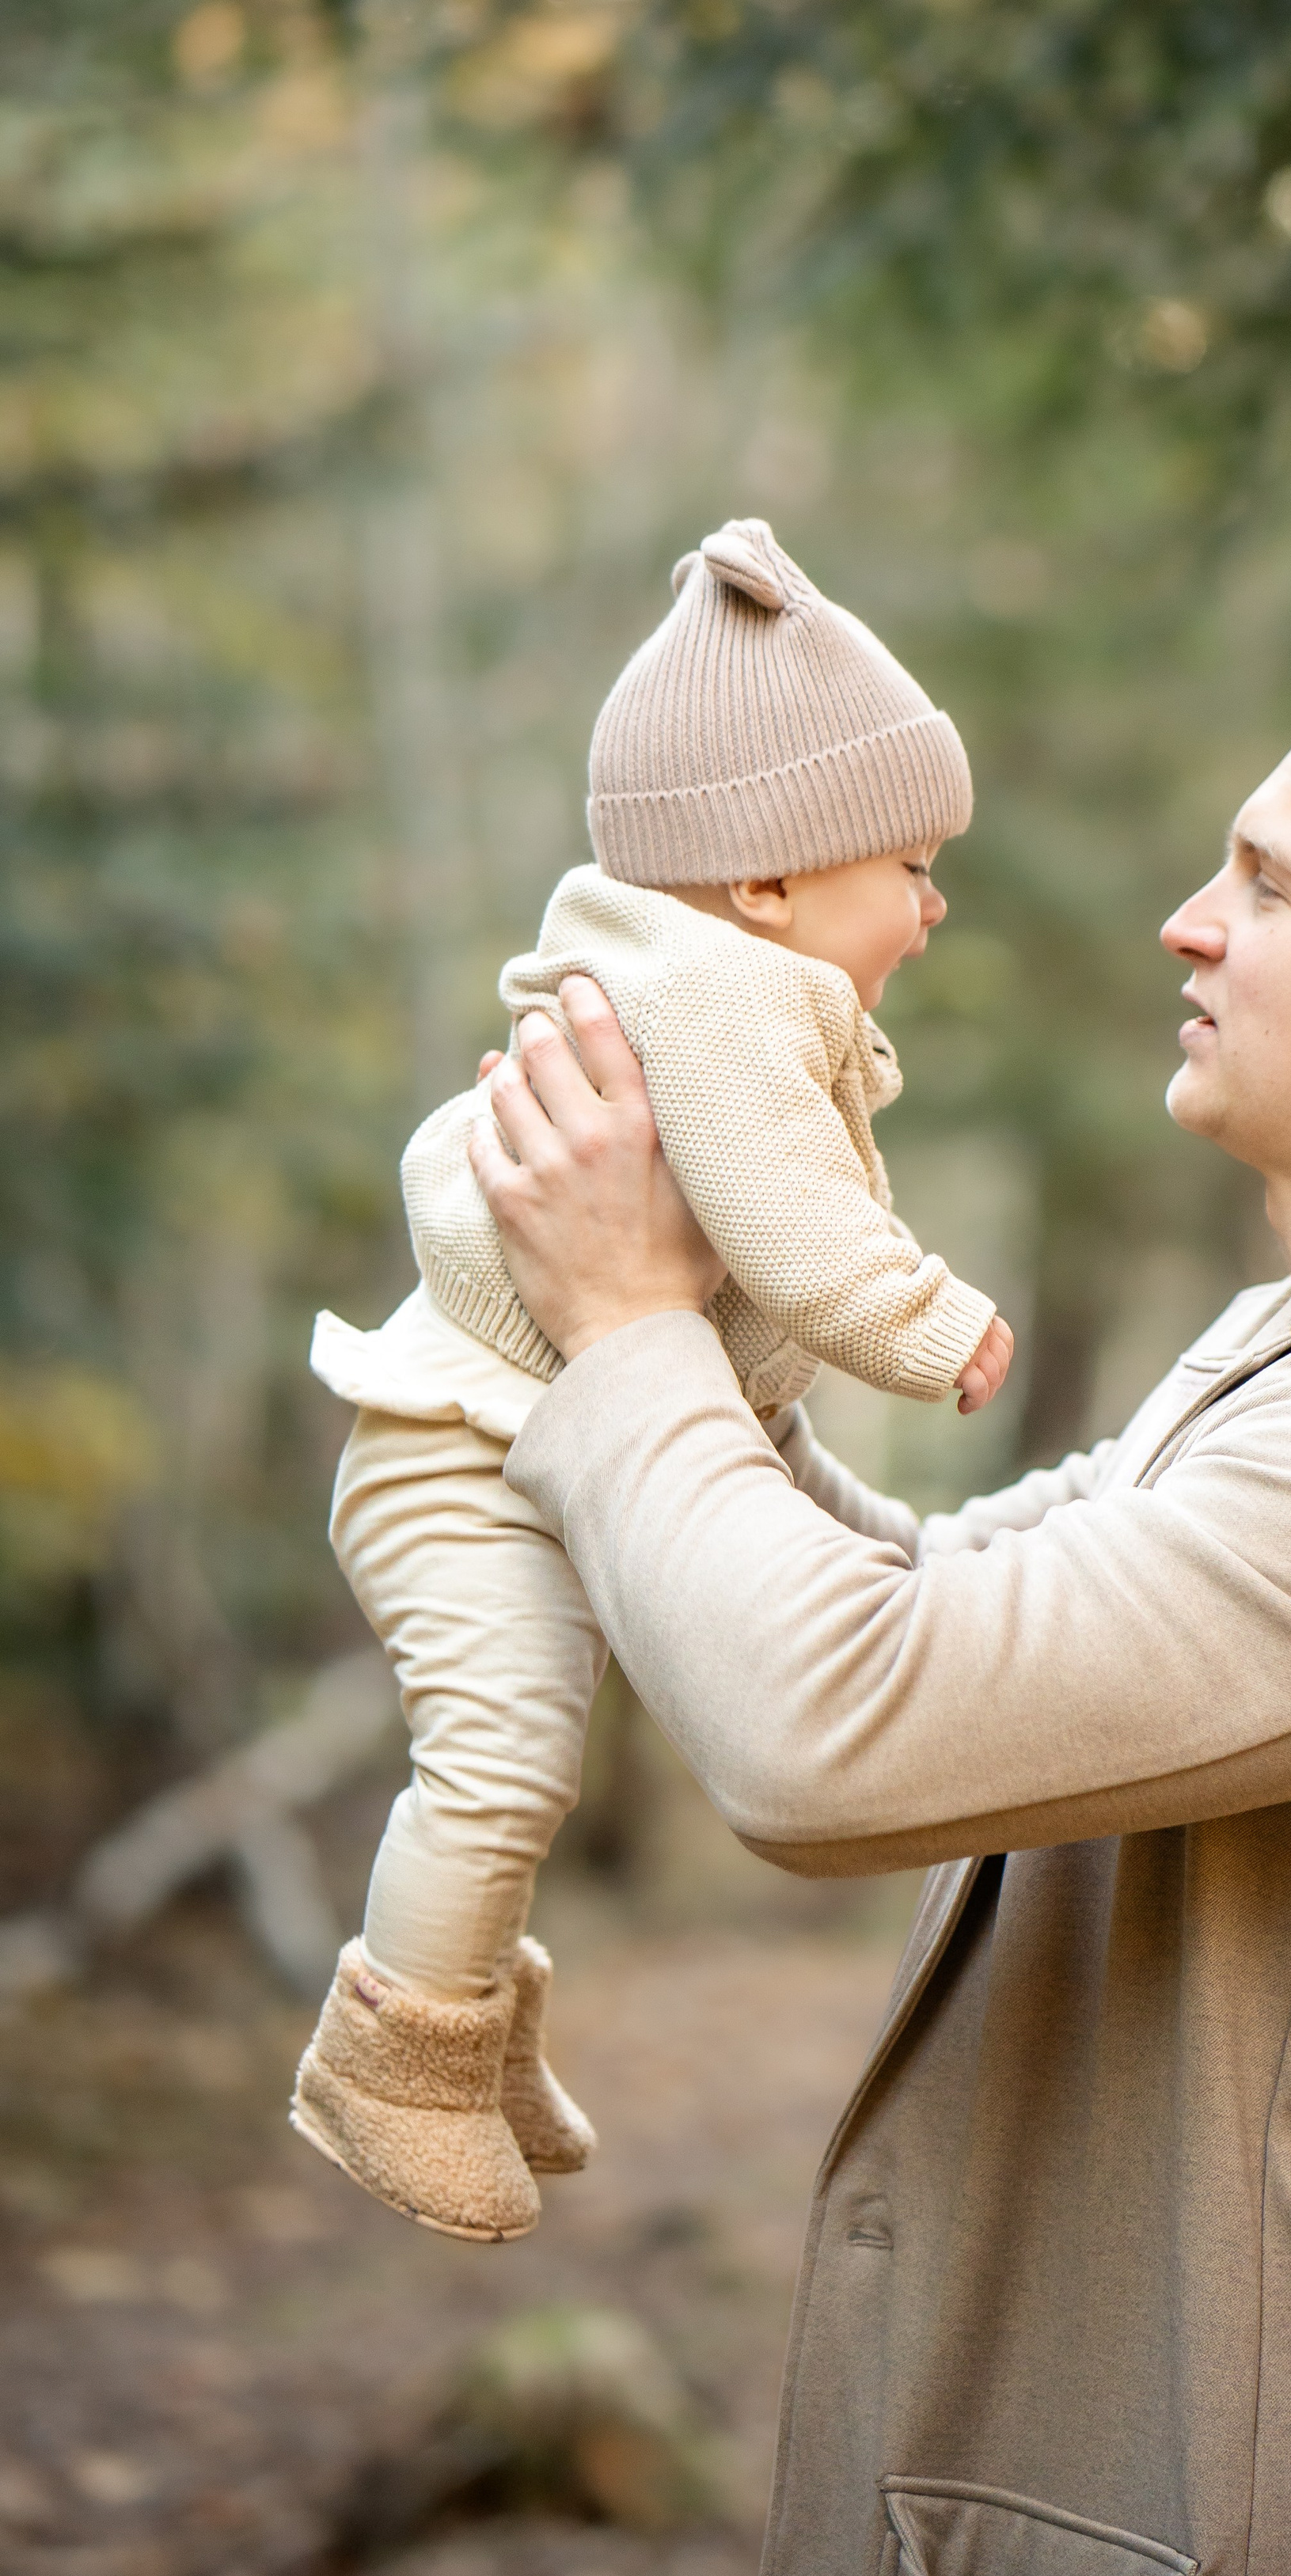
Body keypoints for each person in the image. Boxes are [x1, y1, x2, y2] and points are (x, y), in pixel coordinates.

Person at [466, 609, 1291, 2576]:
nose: (1185, 924)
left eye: (1265, 884)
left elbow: (828, 1729)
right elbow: (931, 1600)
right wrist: (692, 1320)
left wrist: (627, 1333)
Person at [291, 519, 1014, 2244]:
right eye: (910, 865)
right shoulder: (715, 1000)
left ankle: (476, 2029)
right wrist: (929, 1322)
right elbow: (794, 1224)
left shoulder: (696, 977)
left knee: (553, 1724)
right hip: (456, 1451)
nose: (932, 905)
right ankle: (398, 2060)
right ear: (767, 884)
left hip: (525, 1421)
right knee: (499, 1755)